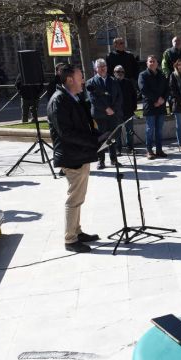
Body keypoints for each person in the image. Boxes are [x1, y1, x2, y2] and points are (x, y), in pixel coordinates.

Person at [47, 64, 101, 253]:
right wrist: (92, 142)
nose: (83, 80)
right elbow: (66, 133)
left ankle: (76, 231)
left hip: (79, 154)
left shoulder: (72, 97)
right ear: (70, 79)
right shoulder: (59, 100)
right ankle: (70, 239)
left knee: (79, 197)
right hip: (72, 157)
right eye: (80, 77)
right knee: (74, 198)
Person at [86, 58, 122, 169]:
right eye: (100, 66)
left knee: (112, 137)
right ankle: (101, 161)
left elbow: (119, 97)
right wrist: (106, 108)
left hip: (113, 114)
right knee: (101, 138)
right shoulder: (91, 82)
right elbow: (93, 99)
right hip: (99, 115)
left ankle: (113, 159)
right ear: (96, 69)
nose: (102, 68)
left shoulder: (113, 80)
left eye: (104, 66)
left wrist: (113, 109)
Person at [138, 55, 169, 159]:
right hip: (150, 106)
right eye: (150, 61)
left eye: (153, 61)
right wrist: (156, 100)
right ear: (147, 63)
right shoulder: (143, 75)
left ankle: (159, 150)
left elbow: (167, 89)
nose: (152, 63)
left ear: (157, 63)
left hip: (161, 106)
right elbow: (144, 90)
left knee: (159, 130)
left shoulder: (162, 74)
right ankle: (149, 150)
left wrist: (162, 100)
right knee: (150, 129)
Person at [113, 65, 138, 154]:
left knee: (130, 131)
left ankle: (130, 148)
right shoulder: (112, 83)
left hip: (128, 111)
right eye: (118, 72)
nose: (120, 73)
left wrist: (134, 107)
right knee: (117, 132)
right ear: (114, 73)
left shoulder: (128, 82)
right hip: (117, 112)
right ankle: (118, 149)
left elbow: (134, 95)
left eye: (122, 72)